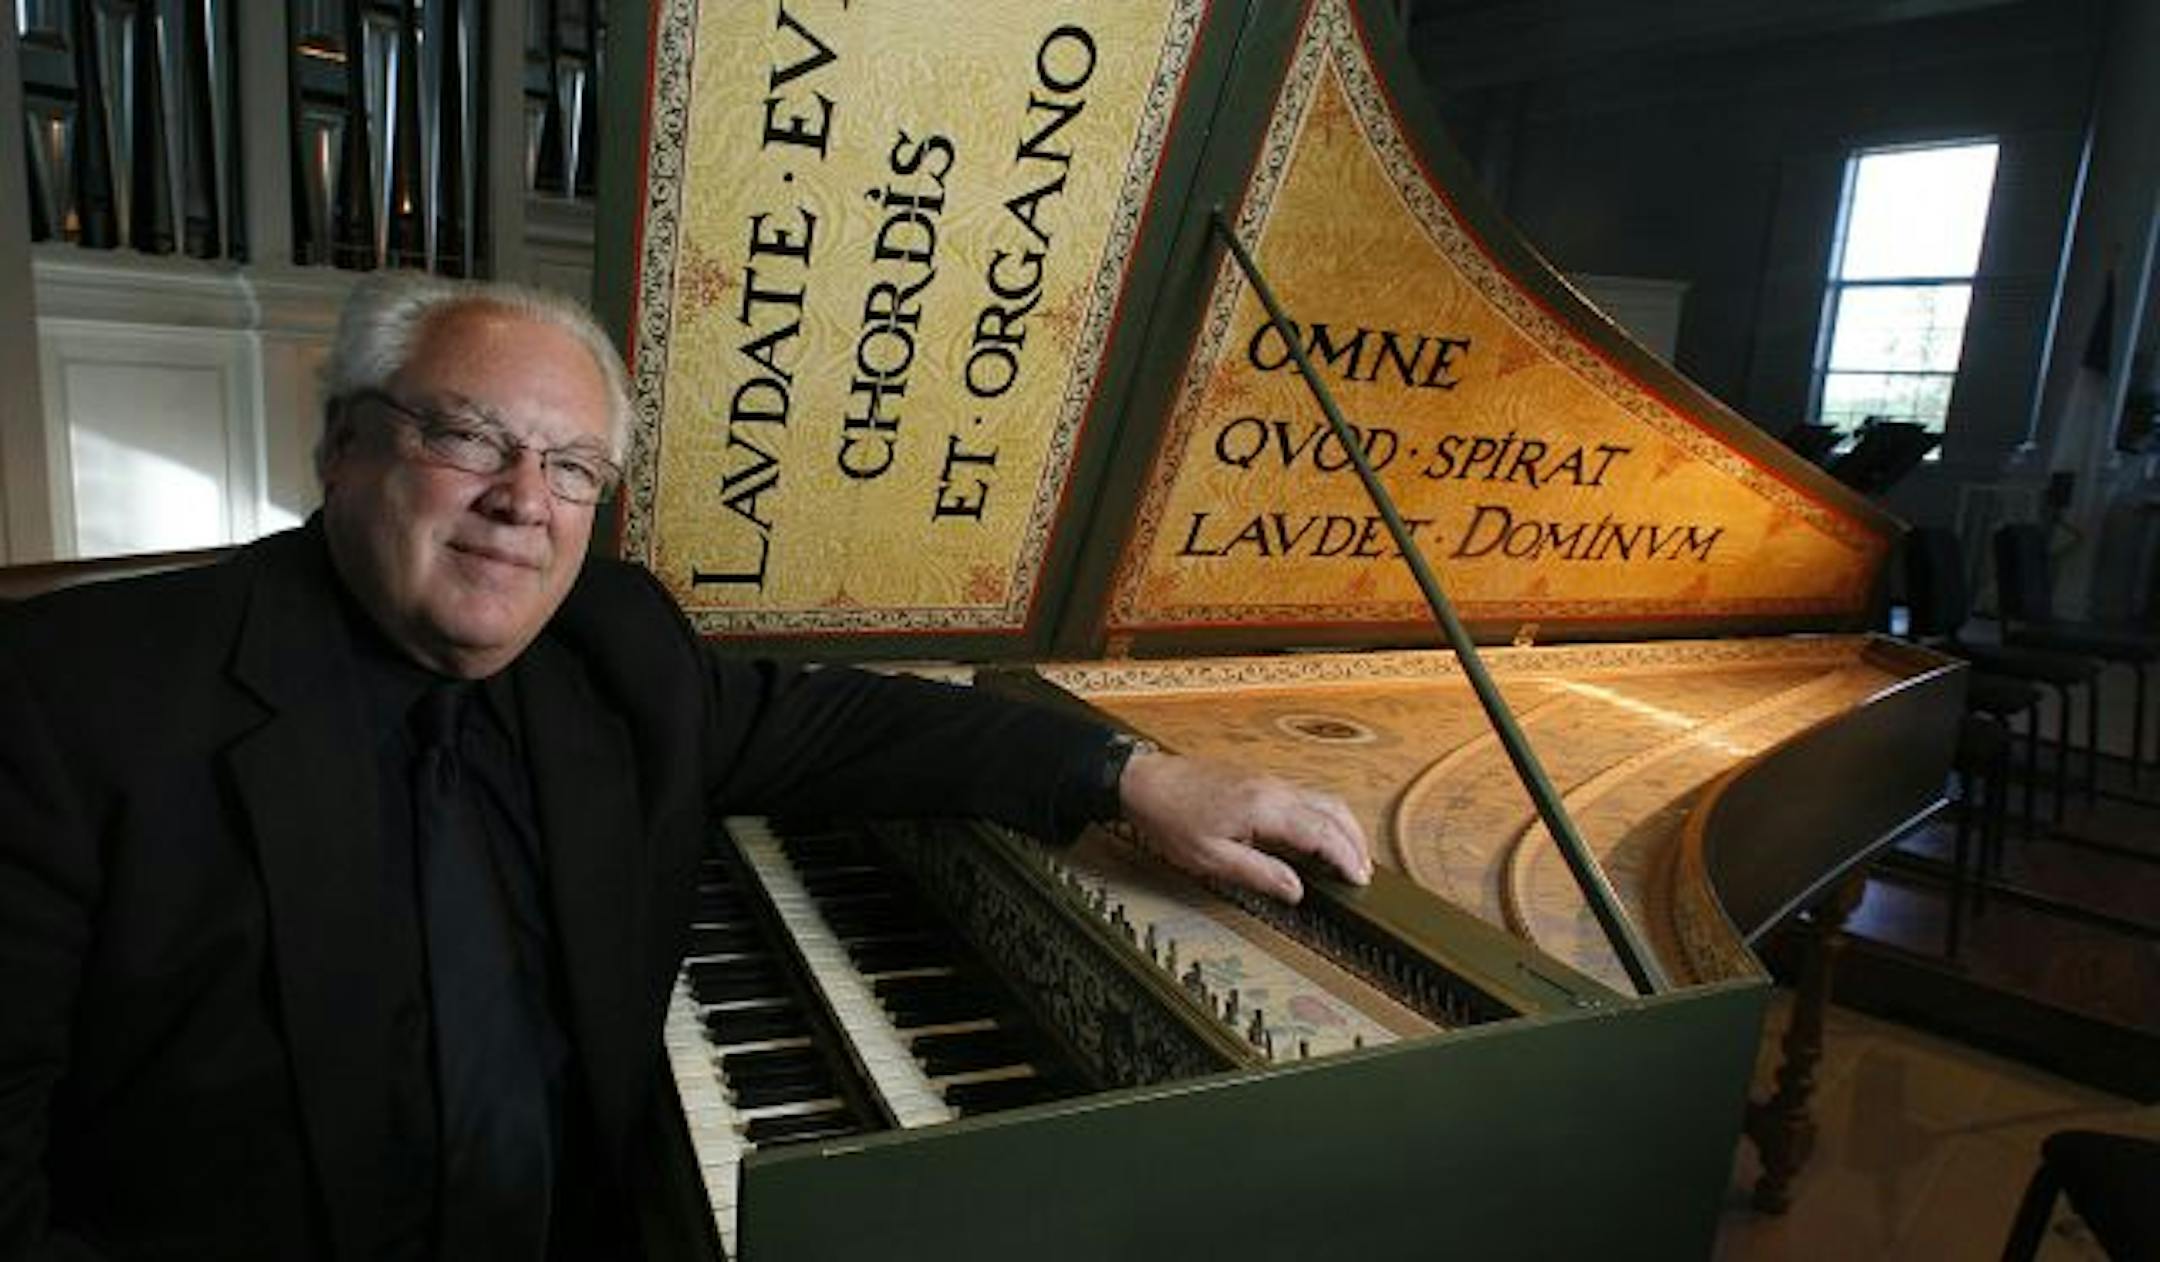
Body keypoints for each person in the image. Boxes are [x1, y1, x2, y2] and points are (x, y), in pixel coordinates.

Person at [0, 274, 1372, 1260]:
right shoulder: (77, 702)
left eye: (572, 468)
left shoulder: (613, 643)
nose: (522, 503)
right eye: (469, 436)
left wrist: (1134, 777)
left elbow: (844, 722)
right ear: (346, 444)